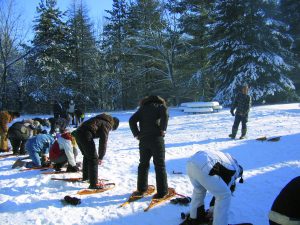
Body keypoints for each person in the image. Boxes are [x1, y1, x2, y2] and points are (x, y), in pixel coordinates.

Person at [181, 149, 244, 225]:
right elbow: (223, 192)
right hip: (205, 165)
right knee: (224, 195)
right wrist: (212, 210)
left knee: (199, 190)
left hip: (191, 163)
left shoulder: (227, 159)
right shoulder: (234, 171)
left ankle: (195, 217)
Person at [129, 95, 169, 199]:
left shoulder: (142, 108)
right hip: (156, 139)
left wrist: (136, 134)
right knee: (159, 165)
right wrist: (162, 129)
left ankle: (142, 189)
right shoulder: (160, 106)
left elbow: (131, 120)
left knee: (143, 165)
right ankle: (162, 192)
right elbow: (165, 115)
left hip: (143, 140)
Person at [72, 113, 119, 189]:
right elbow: (103, 141)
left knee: (87, 156)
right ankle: (94, 184)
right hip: (85, 134)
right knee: (94, 158)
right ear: (114, 124)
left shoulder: (99, 119)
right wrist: (100, 157)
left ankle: (86, 177)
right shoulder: (107, 124)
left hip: (78, 134)